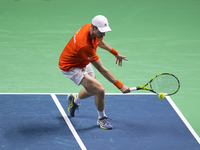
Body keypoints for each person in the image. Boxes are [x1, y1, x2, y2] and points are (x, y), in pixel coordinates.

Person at [59, 15, 130, 130]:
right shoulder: (85, 45)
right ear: (94, 28)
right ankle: (102, 118)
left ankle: (74, 99)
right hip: (70, 66)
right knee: (100, 89)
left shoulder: (90, 28)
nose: (104, 34)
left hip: (82, 59)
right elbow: (102, 69)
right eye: (101, 31)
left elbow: (100, 42)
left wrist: (115, 53)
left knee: (93, 89)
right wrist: (120, 86)